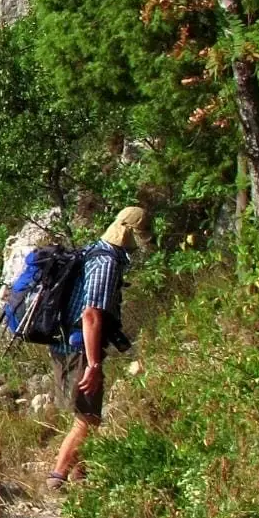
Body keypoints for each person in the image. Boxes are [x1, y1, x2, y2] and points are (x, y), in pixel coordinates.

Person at [47, 206, 146, 490]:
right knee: (87, 417)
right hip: (79, 346)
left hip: (67, 342)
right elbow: (91, 314)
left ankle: (81, 476)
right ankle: (57, 476)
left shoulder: (93, 251)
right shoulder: (107, 263)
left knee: (86, 414)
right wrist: (94, 365)